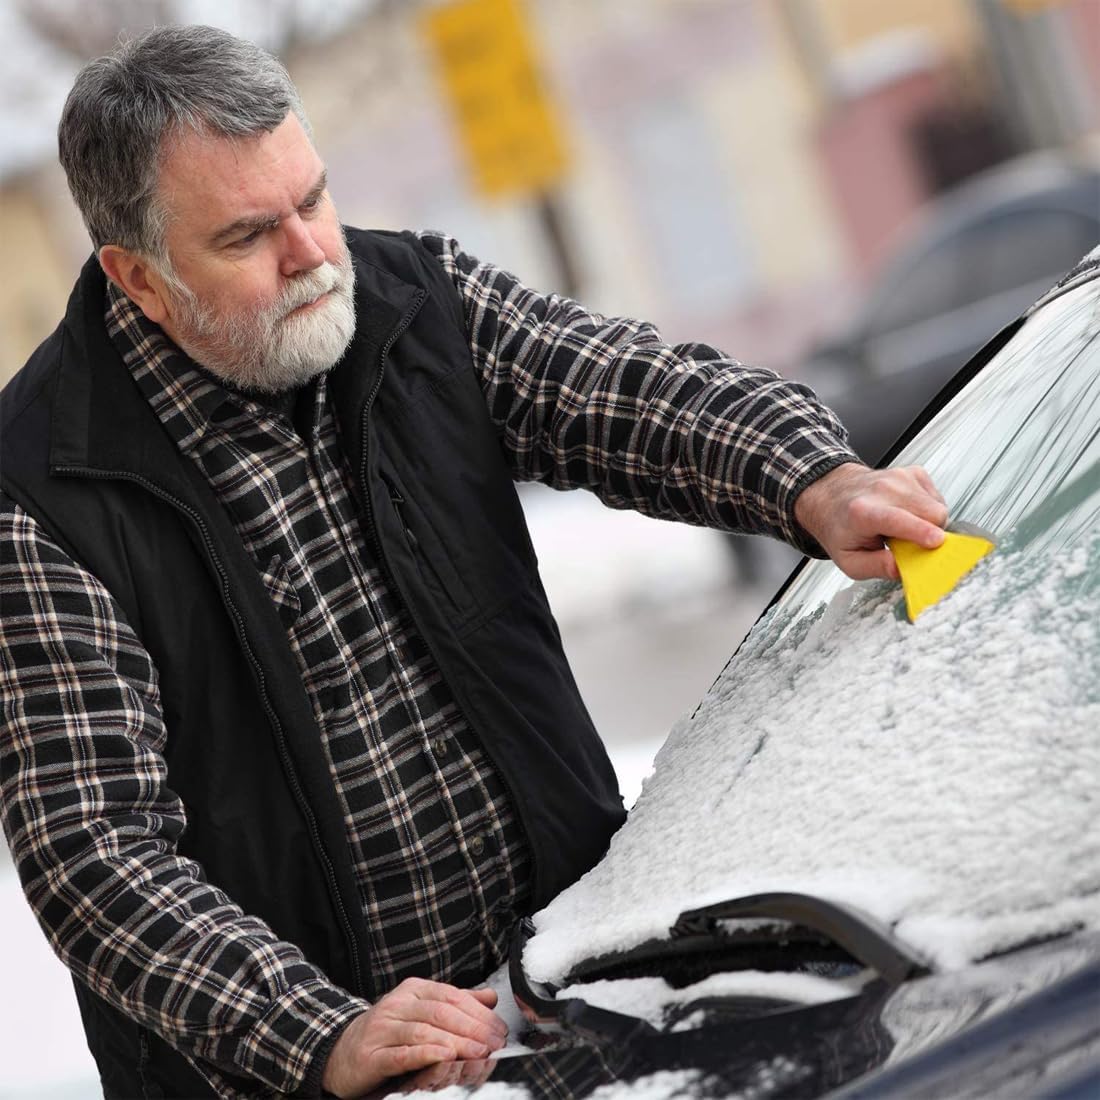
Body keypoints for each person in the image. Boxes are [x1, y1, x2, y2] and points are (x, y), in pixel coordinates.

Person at [0, 23, 948, 1100]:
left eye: (311, 198)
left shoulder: (413, 301)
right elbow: (97, 855)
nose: (313, 254)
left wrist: (806, 474)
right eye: (250, 234)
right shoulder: (39, 494)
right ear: (141, 279)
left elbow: (618, 389)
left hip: (567, 1002)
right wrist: (322, 1034)